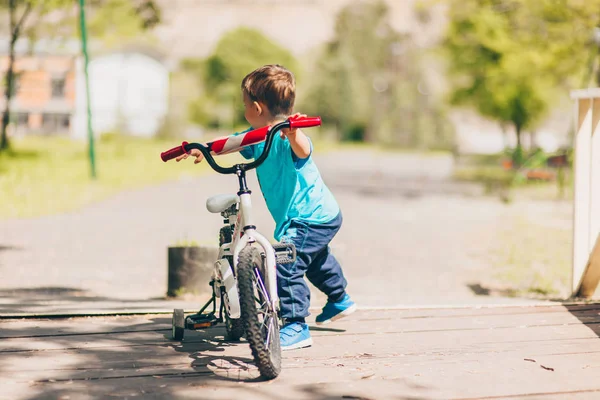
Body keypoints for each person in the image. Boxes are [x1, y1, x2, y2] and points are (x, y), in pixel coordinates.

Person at [177, 64, 356, 350]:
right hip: (319, 215)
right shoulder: (256, 136)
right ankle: (340, 299)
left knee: (285, 262)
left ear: (257, 107)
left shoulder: (287, 138)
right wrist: (204, 148)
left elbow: (303, 149)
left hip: (310, 217)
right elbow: (231, 143)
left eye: (245, 104)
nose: (244, 109)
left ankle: (296, 325)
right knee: (314, 260)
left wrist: (294, 132)